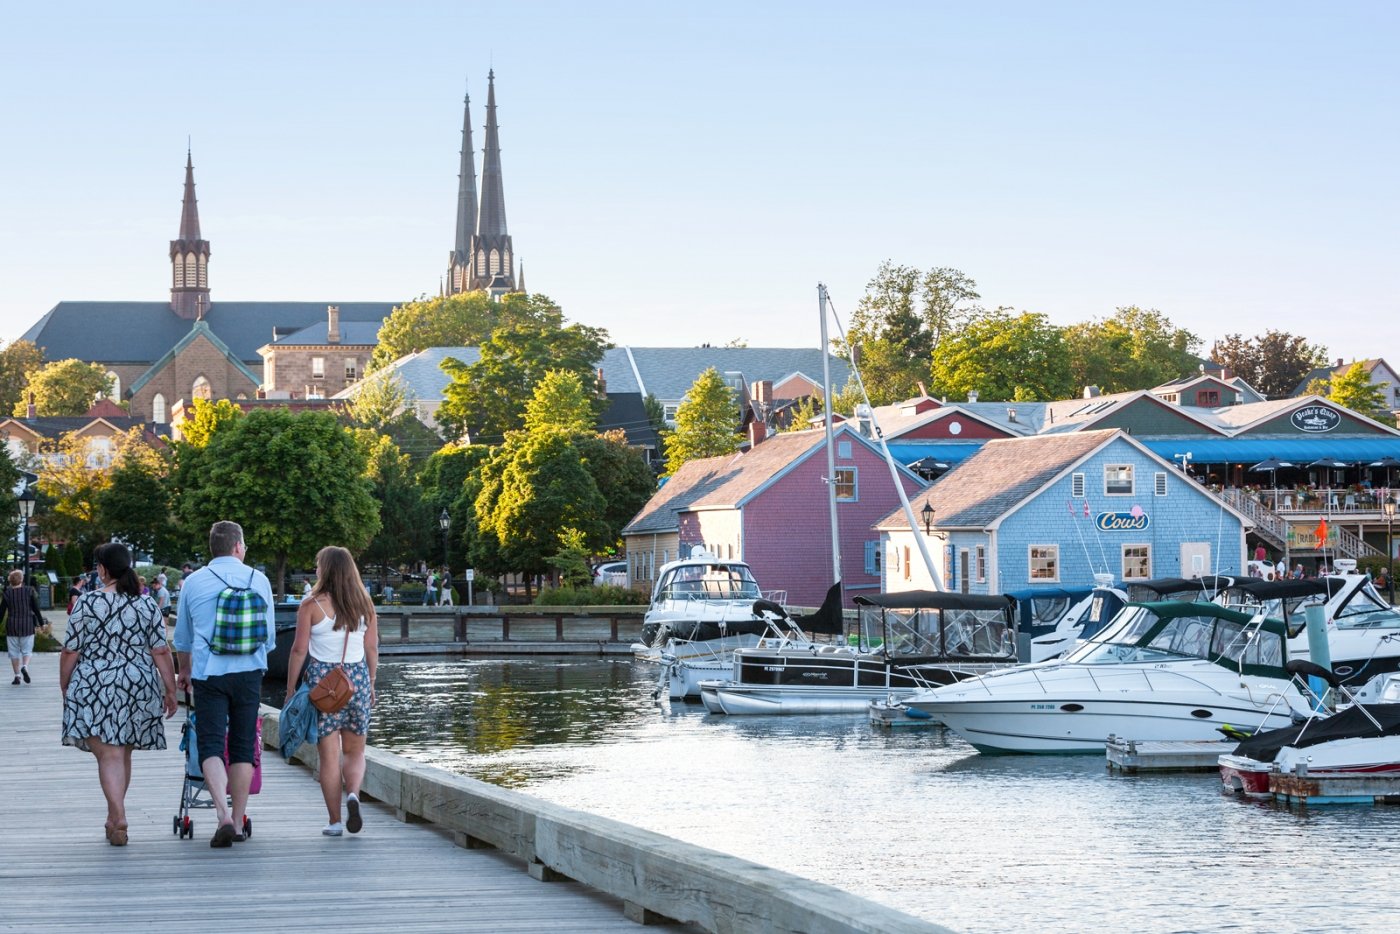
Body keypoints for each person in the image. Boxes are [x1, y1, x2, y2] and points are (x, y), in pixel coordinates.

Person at [59, 543, 177, 845]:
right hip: (137, 681)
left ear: (102, 570)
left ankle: (118, 813)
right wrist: (170, 689)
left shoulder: (88, 602)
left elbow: (71, 648)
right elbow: (160, 650)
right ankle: (114, 818)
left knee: (109, 755)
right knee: (123, 751)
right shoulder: (147, 604)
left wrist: (65, 683)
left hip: (97, 682)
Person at [173, 521, 276, 848]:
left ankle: (223, 817)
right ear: (237, 546)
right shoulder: (258, 580)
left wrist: (184, 671)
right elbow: (269, 639)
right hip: (248, 674)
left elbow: (183, 639)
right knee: (244, 746)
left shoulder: (194, 581)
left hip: (209, 674)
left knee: (211, 745)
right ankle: (240, 816)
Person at [284, 546, 379, 837]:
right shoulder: (365, 603)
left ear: (326, 569)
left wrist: (291, 689)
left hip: (324, 686)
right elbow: (371, 648)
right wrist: (371, 682)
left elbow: (299, 650)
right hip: (357, 682)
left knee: (328, 756)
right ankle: (353, 795)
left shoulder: (311, 604)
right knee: (355, 751)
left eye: (318, 565)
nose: (315, 570)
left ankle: (335, 822)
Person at [3, 569, 47, 684]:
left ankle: (17, 676)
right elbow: (36, 609)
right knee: (27, 651)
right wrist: (42, 624)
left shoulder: (7, 593)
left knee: (14, 652)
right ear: (21, 580)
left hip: (12, 626)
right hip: (27, 625)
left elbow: (1, 612)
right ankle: (25, 667)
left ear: (10, 582)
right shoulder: (29, 591)